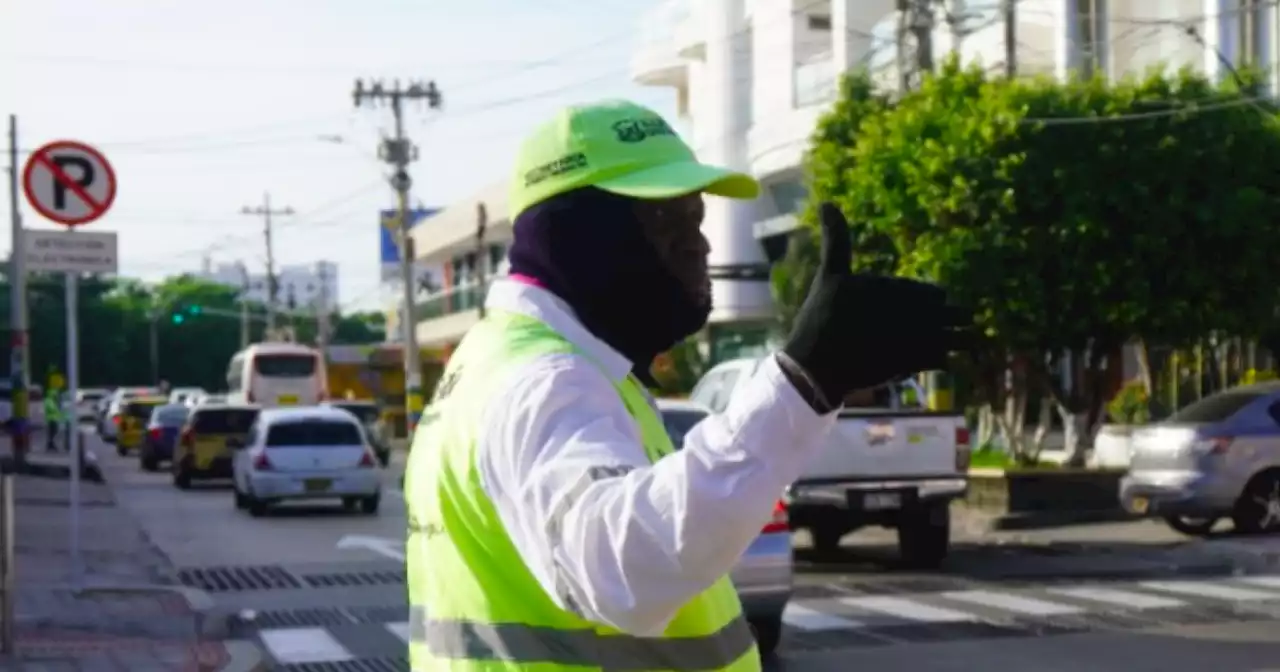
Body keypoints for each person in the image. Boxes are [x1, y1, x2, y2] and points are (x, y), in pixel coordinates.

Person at [402, 99, 970, 670]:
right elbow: (622, 571)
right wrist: (802, 383)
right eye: (667, 224)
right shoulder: (544, 380)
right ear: (577, 235)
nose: (700, 246)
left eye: (695, 221)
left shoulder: (510, 362)